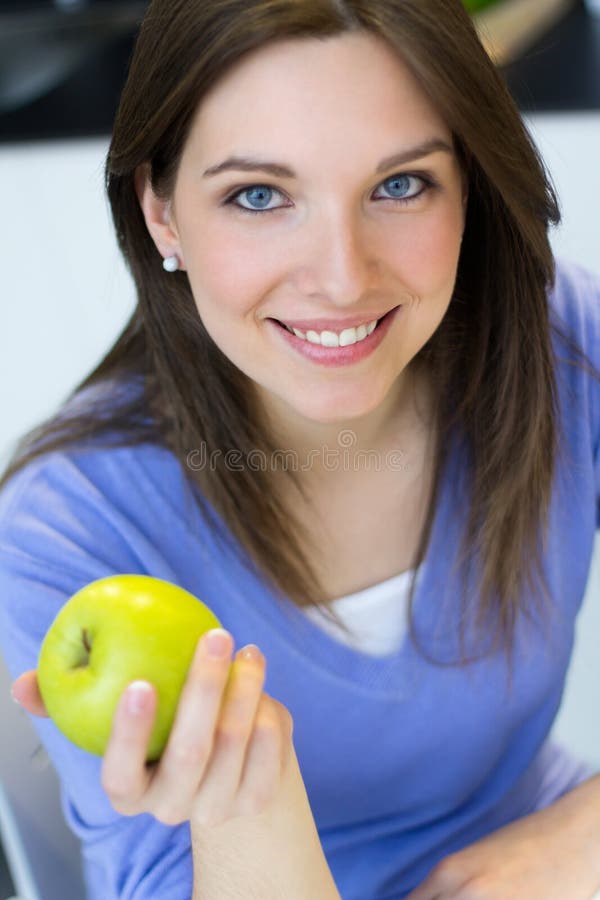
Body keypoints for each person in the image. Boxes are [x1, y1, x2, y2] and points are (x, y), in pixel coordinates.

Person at [2, 0, 600, 897]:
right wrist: (248, 803)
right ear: (162, 213)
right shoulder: (65, 532)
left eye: (400, 185)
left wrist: (569, 845)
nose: (341, 277)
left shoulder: (560, 347)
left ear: (469, 185)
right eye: (258, 196)